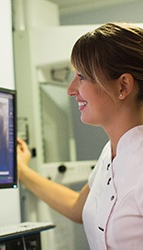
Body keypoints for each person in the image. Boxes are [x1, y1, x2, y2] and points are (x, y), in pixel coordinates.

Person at [17, 22, 143, 250]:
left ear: (123, 86)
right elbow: (77, 207)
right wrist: (23, 171)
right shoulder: (111, 152)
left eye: (82, 76)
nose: (71, 89)